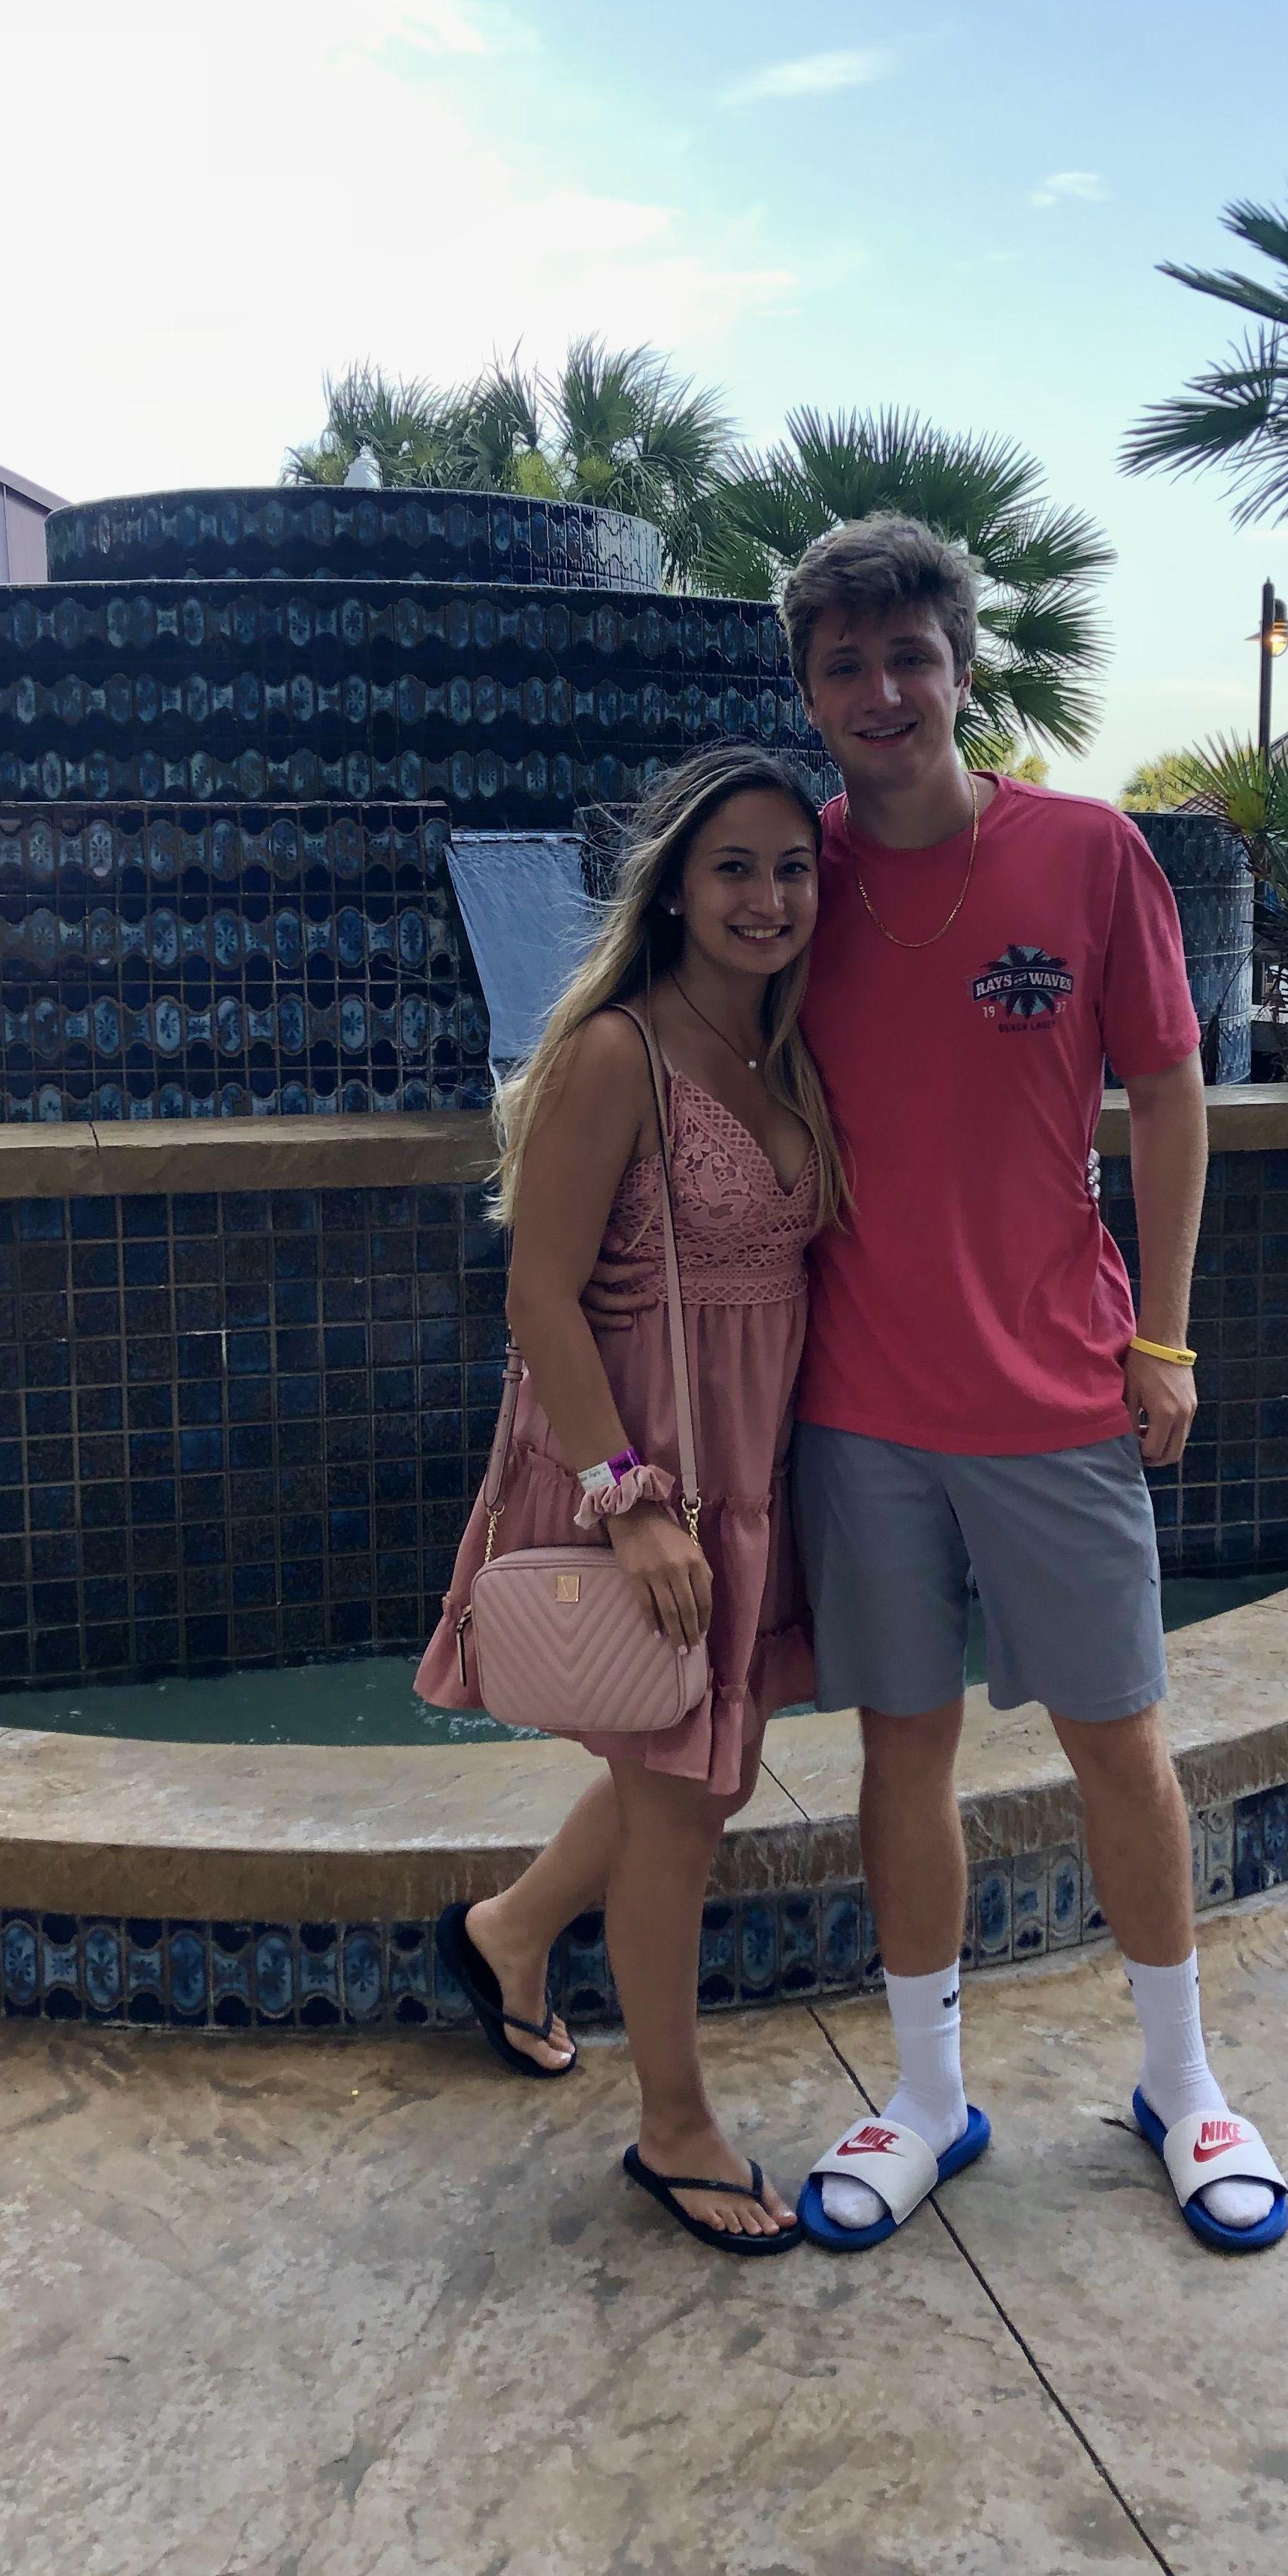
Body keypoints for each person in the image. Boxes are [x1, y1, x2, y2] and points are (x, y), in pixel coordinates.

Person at [778, 515, 1288, 2257]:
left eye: (908, 656)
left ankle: (1184, 2084)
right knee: (900, 1752)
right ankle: (927, 2096)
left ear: (963, 668)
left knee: (1119, 1743)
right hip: (858, 1399)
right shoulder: (791, 882)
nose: (881, 691)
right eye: (844, 665)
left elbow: (1170, 1089)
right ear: (811, 693)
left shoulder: (1085, 855)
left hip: (1059, 1386)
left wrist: (1167, 1335)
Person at [416, 744, 847, 2256]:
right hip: (644, 1469)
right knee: (682, 1808)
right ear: (671, 890)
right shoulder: (619, 1053)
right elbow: (537, 1296)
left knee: (701, 1772)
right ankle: (675, 2128)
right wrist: (631, 1503)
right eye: (734, 868)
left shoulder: (784, 1045)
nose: (767, 898)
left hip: (752, 1469)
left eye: (792, 870)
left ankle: (508, 1934)